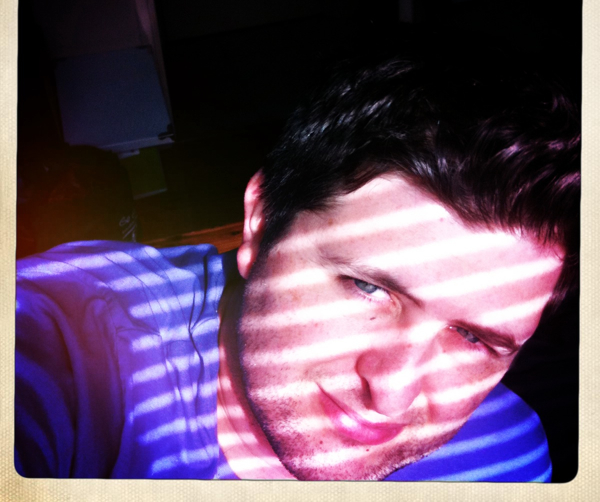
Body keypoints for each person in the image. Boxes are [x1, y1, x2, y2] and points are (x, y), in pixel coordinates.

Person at [15, 33, 580, 481]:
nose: (391, 394)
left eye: (473, 338)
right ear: (261, 220)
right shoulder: (69, 343)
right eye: (368, 287)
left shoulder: (505, 462)